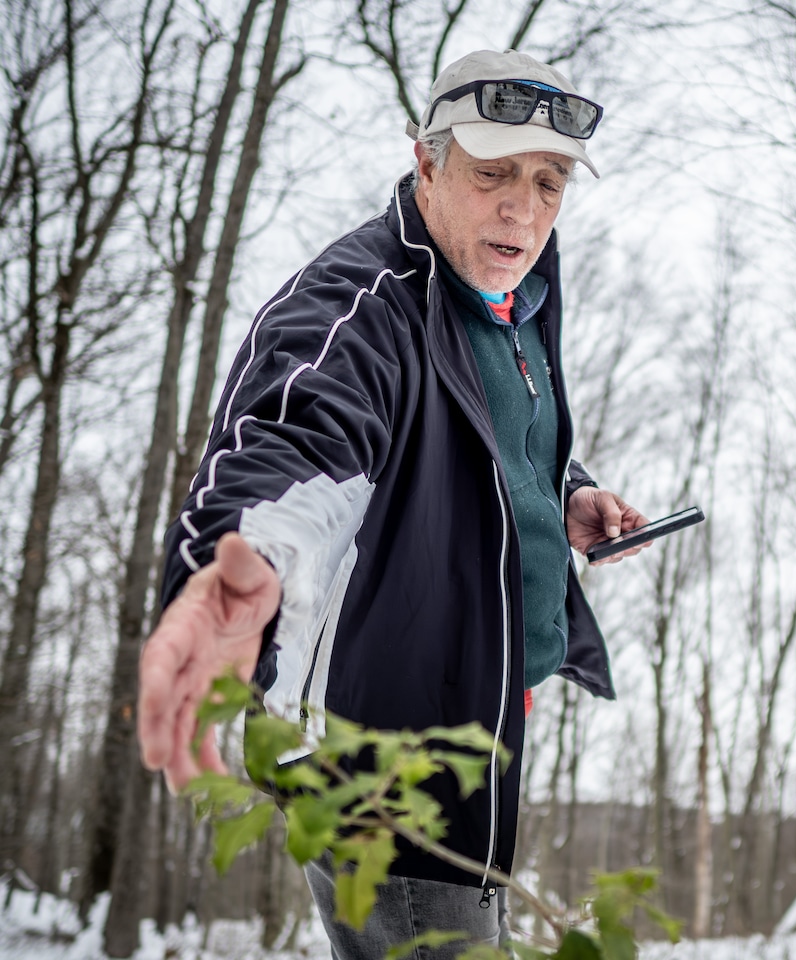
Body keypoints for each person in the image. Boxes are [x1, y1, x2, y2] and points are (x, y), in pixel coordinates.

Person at [136, 49, 647, 959]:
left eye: (549, 182)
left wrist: (564, 494)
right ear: (426, 163)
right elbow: (297, 444)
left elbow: (489, 435)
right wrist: (234, 574)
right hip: (389, 746)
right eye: (493, 174)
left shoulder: (509, 294)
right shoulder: (360, 302)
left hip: (482, 710)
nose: (523, 210)